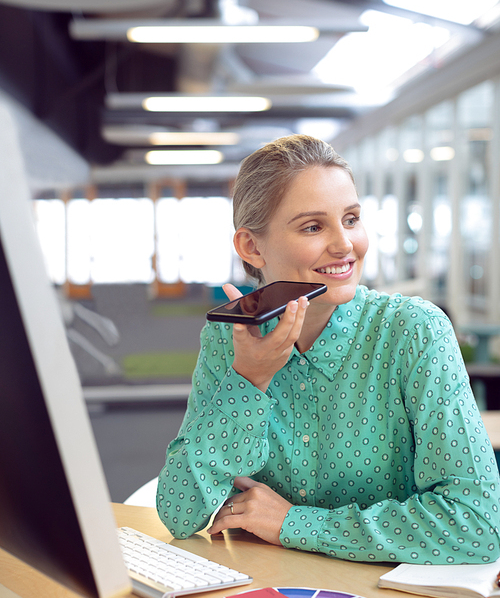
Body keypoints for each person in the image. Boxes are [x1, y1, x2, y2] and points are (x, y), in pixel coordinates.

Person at [157, 134, 500, 564]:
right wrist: (249, 379)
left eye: (352, 219)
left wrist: (292, 523)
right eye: (313, 226)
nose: (344, 245)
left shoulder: (414, 331)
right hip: (270, 597)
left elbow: (476, 525)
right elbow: (180, 513)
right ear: (251, 247)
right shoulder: (229, 341)